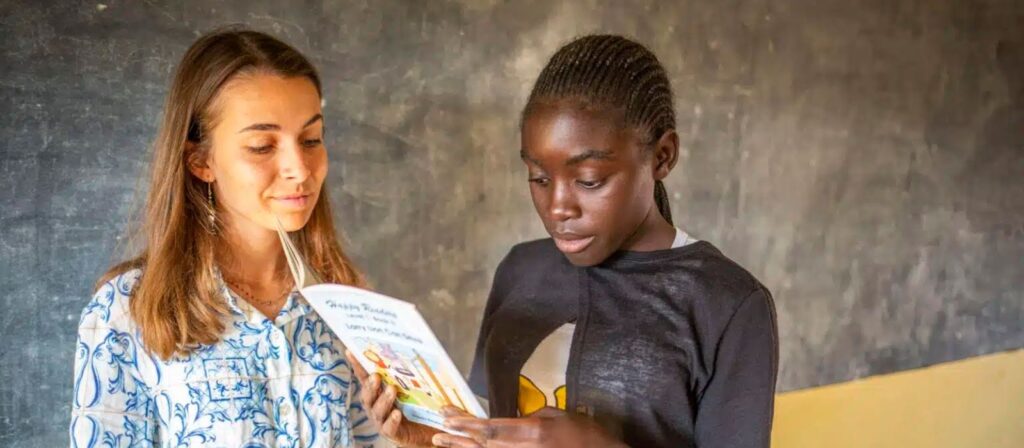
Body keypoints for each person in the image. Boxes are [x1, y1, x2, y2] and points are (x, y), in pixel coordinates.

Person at [356, 35, 779, 448]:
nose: (558, 207)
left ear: (662, 156)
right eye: (539, 178)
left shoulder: (727, 304)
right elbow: (498, 431)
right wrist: (426, 438)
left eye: (589, 181)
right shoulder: (521, 271)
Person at [70, 28, 379, 447]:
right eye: (261, 146)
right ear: (200, 160)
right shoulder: (128, 310)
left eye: (311, 139)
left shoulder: (350, 304)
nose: (300, 169)